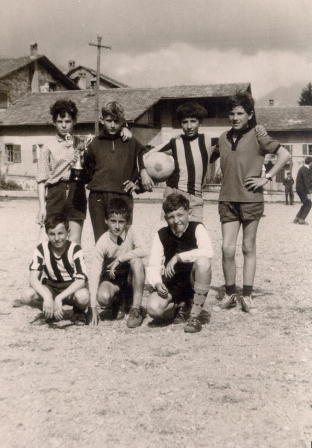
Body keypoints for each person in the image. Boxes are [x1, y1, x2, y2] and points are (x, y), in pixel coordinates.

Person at [210, 91, 291, 313]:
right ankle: (229, 295)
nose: (235, 117)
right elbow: (206, 156)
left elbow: (285, 155)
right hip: (227, 199)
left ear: (249, 115)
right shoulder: (223, 138)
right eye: (232, 113)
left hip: (250, 200)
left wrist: (266, 177)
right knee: (227, 248)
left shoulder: (258, 135)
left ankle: (247, 296)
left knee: (248, 247)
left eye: (240, 113)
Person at [141, 101, 266, 223]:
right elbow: (145, 154)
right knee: (171, 236)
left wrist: (257, 127)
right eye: (185, 122)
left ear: (200, 122)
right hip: (174, 193)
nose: (189, 126)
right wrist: (144, 173)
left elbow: (236, 135)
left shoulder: (208, 141)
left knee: (196, 234)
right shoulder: (174, 142)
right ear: (180, 123)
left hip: (196, 197)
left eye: (193, 121)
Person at [84, 101, 152, 242]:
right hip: (98, 198)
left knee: (123, 241)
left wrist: (137, 184)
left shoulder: (131, 142)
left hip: (123, 196)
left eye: (117, 121)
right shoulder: (94, 144)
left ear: (123, 122)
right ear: (102, 120)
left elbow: (143, 159)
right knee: (102, 240)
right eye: (109, 121)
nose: (113, 125)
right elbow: (88, 172)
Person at [146, 193, 213, 333]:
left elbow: (208, 251)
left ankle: (195, 315)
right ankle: (180, 305)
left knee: (203, 262)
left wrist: (178, 257)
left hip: (192, 282)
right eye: (171, 217)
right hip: (172, 284)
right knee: (153, 308)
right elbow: (153, 265)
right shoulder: (161, 234)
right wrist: (157, 283)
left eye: (180, 215)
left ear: (188, 212)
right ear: (165, 218)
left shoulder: (197, 228)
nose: (176, 221)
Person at [21, 212, 89, 325]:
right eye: (52, 234)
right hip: (51, 287)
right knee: (26, 296)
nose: (57, 238)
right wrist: (47, 297)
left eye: (60, 233)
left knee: (83, 297)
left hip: (71, 288)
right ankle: (47, 310)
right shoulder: (42, 249)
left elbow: (81, 280)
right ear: (47, 233)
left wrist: (59, 298)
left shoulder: (75, 249)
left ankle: (79, 311)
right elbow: (33, 279)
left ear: (68, 232)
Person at [89, 198, 148, 328]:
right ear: (106, 220)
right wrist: (92, 306)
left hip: (129, 276)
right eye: (113, 221)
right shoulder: (103, 242)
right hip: (112, 277)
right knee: (103, 296)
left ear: (126, 222)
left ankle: (136, 308)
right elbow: (94, 273)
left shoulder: (131, 231)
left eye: (121, 222)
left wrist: (121, 258)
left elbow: (144, 250)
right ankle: (118, 301)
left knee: (137, 261)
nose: (117, 226)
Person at [293, 157, 312, 225]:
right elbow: (306, 181)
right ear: (310, 162)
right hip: (302, 189)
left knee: (305, 203)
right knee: (308, 204)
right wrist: (308, 191)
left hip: (300, 189)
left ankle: (297, 218)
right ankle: (301, 219)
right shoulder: (305, 169)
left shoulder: (303, 169)